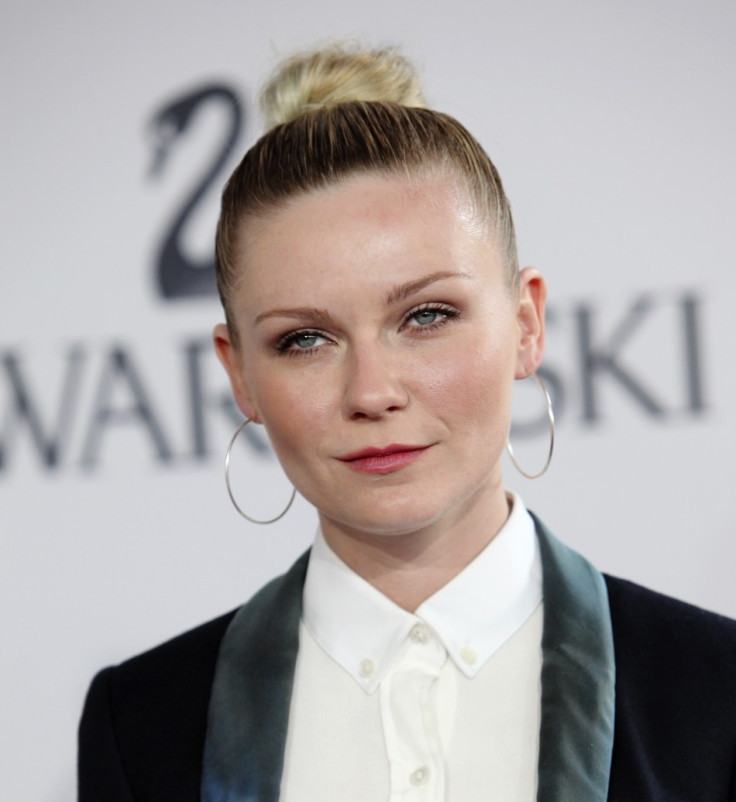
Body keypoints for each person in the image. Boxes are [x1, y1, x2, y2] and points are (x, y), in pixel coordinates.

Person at [78, 44, 736, 802]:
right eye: (305, 339)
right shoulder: (143, 727)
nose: (372, 391)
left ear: (526, 325)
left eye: (426, 316)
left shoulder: (716, 694)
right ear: (239, 375)